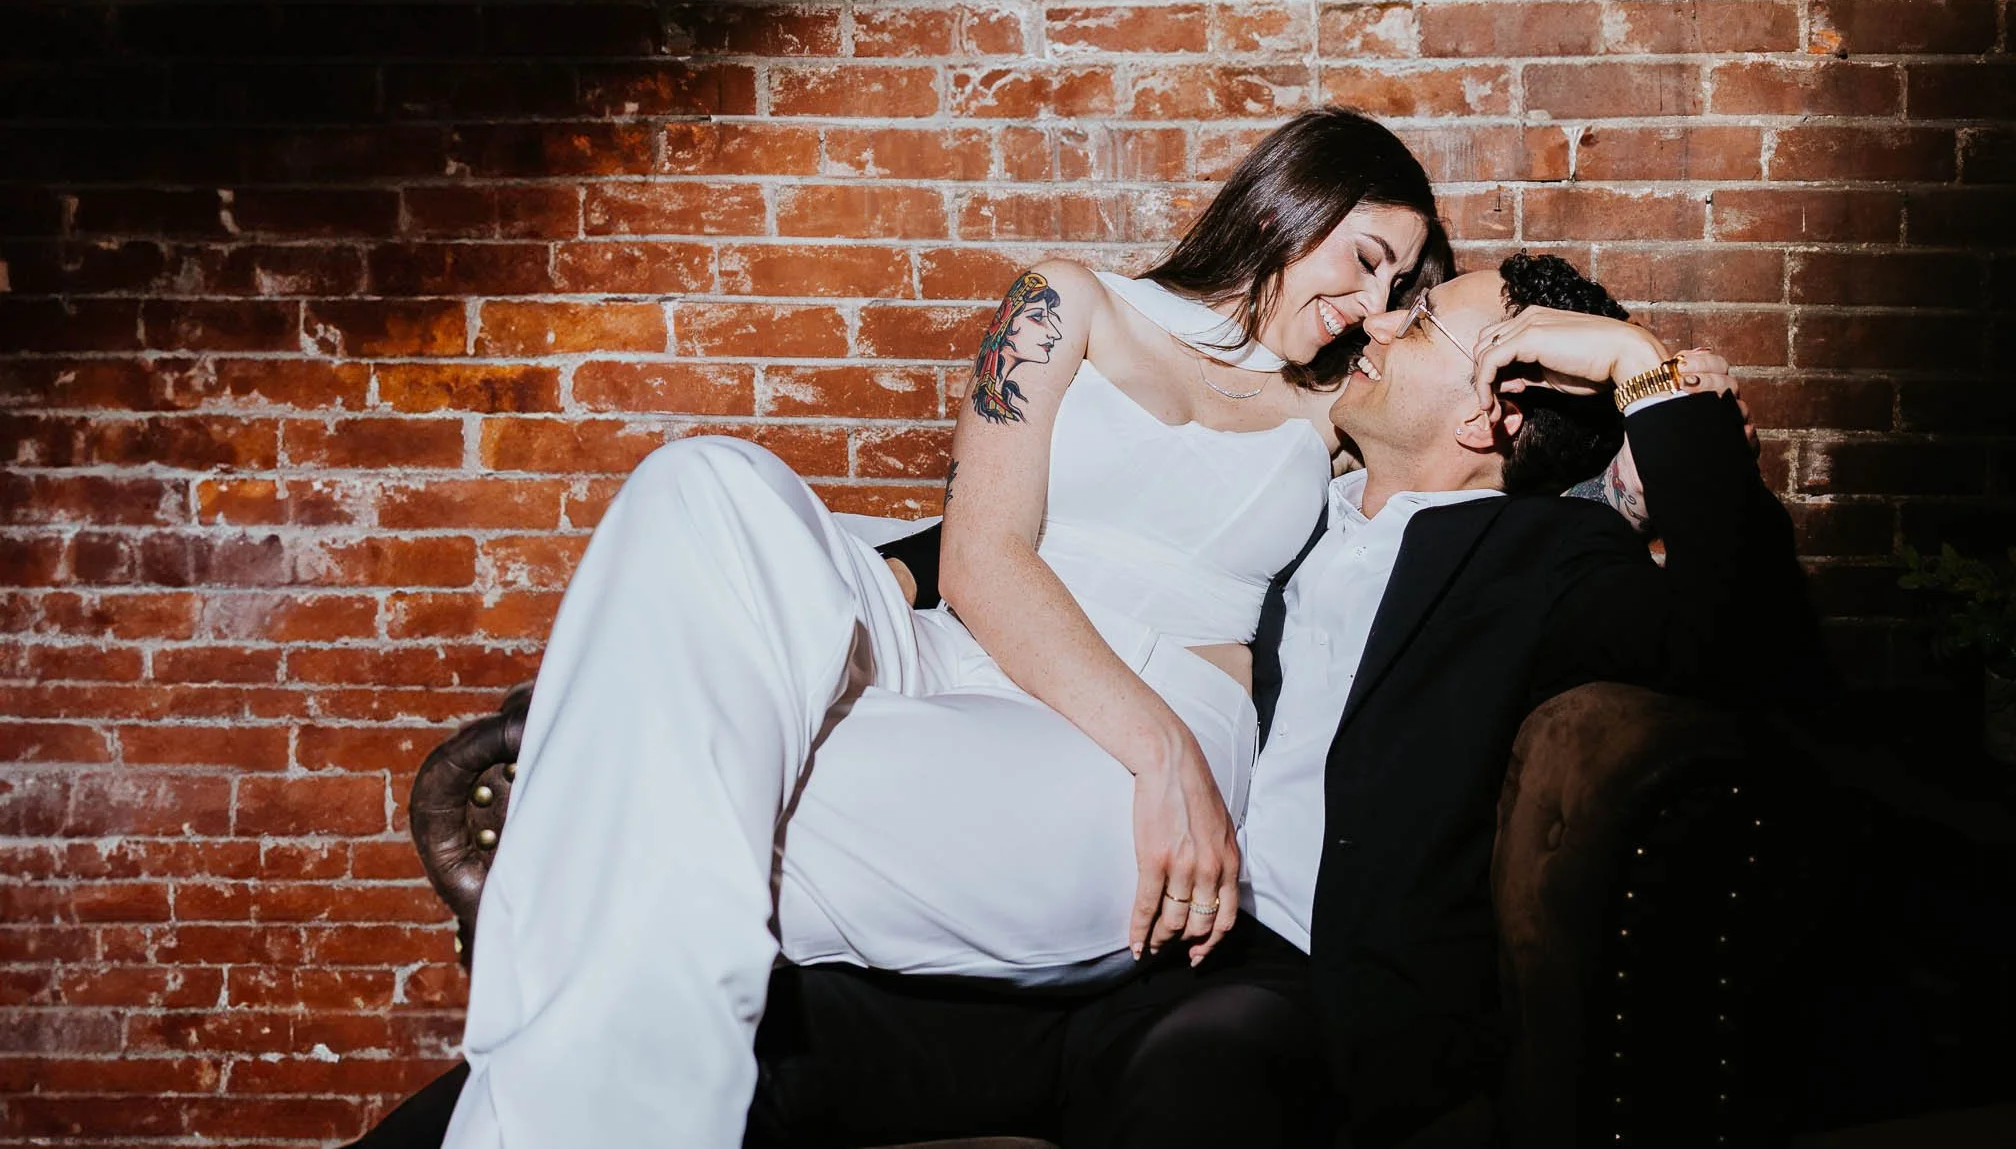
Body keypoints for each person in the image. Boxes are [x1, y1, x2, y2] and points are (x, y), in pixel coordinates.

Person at [354, 250, 1821, 1149]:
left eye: (1428, 318)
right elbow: (1066, 548)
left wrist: (1644, 370)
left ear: (1497, 401)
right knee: (722, 1038)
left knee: (1206, 1096)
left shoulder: (1530, 555)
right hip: (1089, 939)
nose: (1375, 327)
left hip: (1274, 973)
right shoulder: (1295, 499)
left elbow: (1749, 646)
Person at [435, 108, 1452, 1148]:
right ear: (1290, 202)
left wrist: (1624, 365)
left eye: (1400, 290)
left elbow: (1536, 453)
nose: (1372, 305)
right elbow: (977, 554)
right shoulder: (1066, 301)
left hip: (1122, 745)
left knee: (630, 780)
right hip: (973, 656)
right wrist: (1164, 754)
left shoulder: (1337, 409)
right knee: (701, 481)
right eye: (1366, 258)